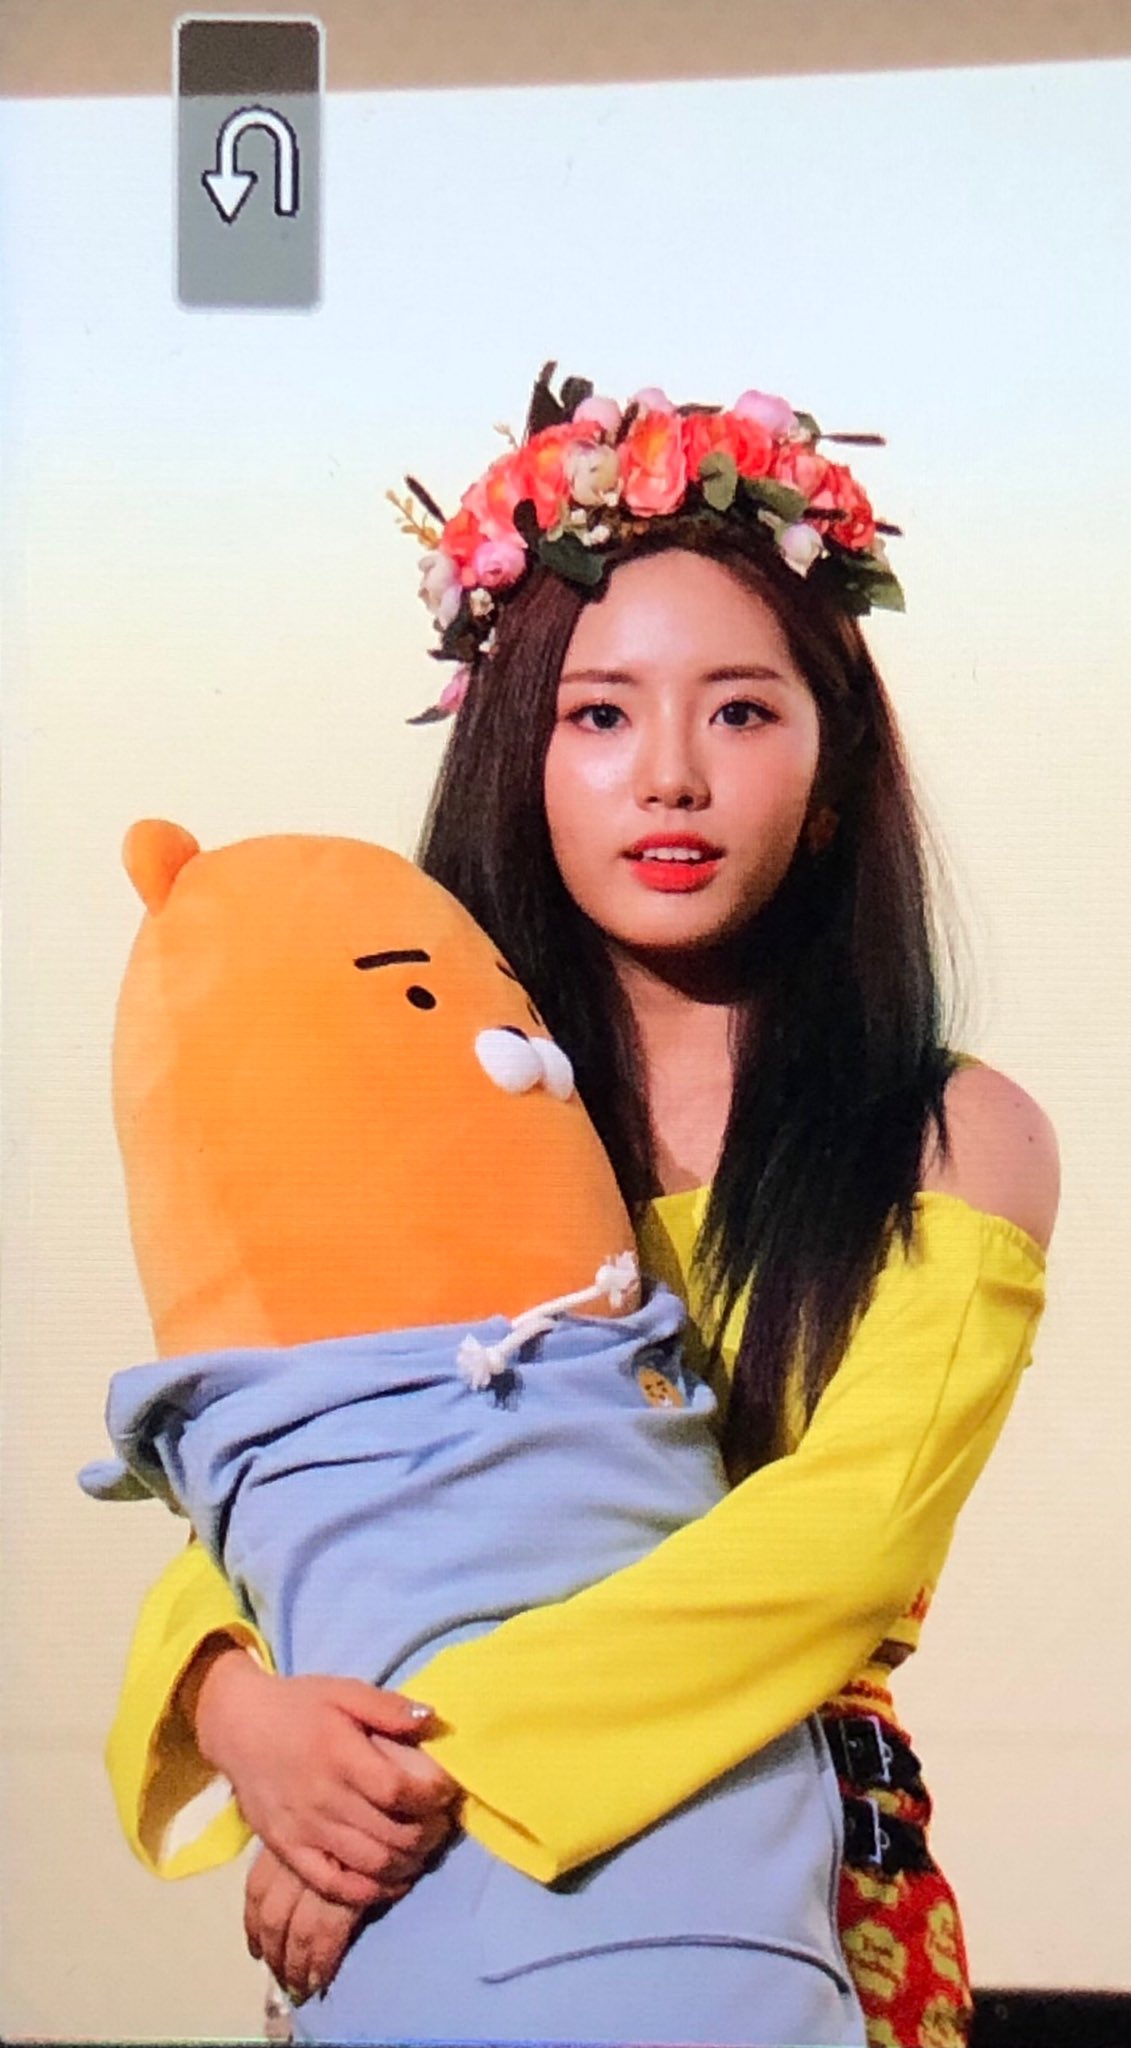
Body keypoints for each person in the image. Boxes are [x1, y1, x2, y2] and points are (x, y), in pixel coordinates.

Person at [103, 370, 1058, 2048]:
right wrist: (236, 1706)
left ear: (835, 767)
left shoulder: (947, 1137)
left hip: (764, 1878)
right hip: (415, 1889)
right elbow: (286, 1454)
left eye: (740, 713)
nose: (668, 776)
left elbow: (842, 1545)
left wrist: (416, 1764)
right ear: (516, 759)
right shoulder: (443, 1099)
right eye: (600, 715)